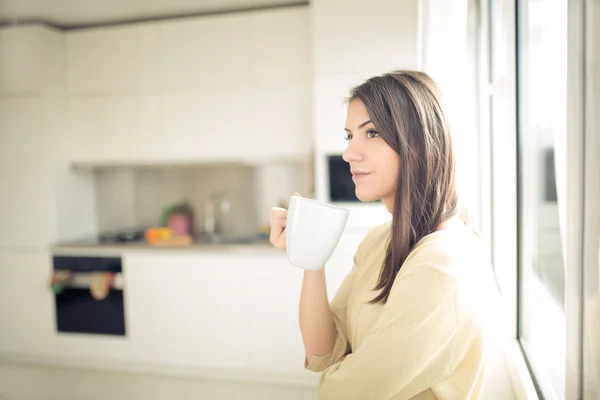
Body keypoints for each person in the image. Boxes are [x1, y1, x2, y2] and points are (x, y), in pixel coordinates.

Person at [269, 70, 497, 399]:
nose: (349, 154)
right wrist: (310, 256)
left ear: (418, 142)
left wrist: (341, 373)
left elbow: (345, 394)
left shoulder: (442, 267)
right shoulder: (379, 240)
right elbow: (325, 351)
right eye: (350, 136)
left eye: (372, 133)